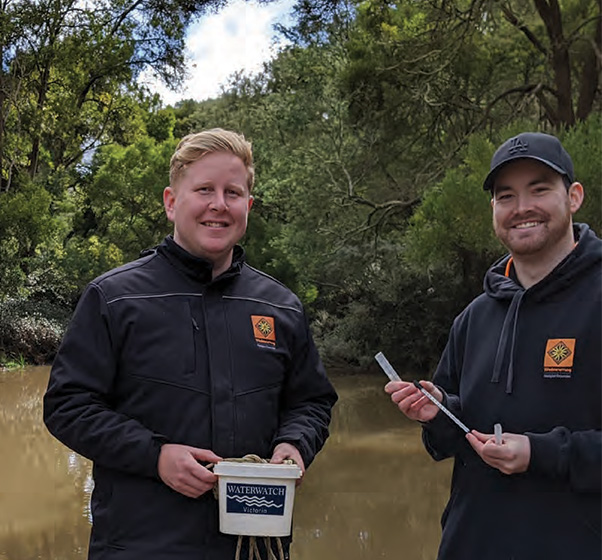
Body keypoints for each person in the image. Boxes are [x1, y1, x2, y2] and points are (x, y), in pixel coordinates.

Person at [43, 128, 338, 559]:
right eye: (204, 190)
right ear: (171, 201)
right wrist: (155, 456)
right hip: (141, 546)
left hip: (256, 546)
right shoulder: (114, 298)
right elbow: (67, 406)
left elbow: (311, 402)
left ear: (248, 207)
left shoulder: (281, 306)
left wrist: (294, 445)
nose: (219, 204)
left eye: (232, 193)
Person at [385, 132, 601, 559]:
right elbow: (450, 443)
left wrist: (540, 453)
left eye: (538, 189)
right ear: (494, 211)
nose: (522, 208)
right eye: (506, 197)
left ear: (573, 196)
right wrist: (438, 412)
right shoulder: (474, 317)